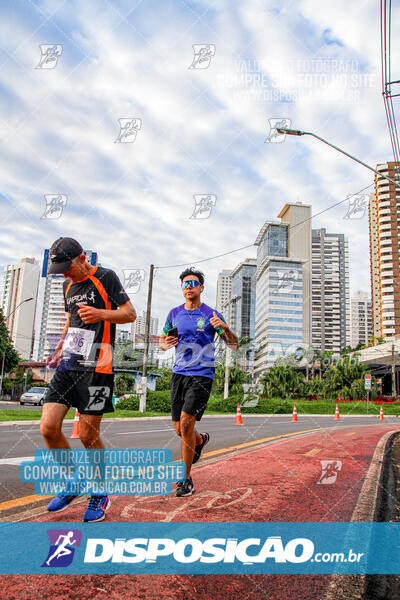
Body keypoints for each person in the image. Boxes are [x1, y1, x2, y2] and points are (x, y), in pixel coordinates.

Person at [40, 237, 136, 522]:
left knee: (87, 435)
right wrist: (59, 348)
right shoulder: (68, 285)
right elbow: (71, 320)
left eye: (67, 267)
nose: (65, 274)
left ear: (82, 258)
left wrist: (100, 314)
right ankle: (72, 481)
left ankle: (99, 494)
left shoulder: (106, 277)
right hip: (70, 363)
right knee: (48, 427)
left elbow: (130, 314)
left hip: (99, 365)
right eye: (60, 270)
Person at [159, 267, 238, 497]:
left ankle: (186, 480)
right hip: (178, 374)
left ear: (201, 288)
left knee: (185, 423)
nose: (189, 287)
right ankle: (200, 441)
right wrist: (166, 344)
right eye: (185, 283)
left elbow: (234, 345)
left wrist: (225, 328)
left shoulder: (211, 314)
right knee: (179, 429)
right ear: (182, 288)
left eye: (193, 283)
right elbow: (163, 340)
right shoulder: (174, 314)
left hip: (202, 374)